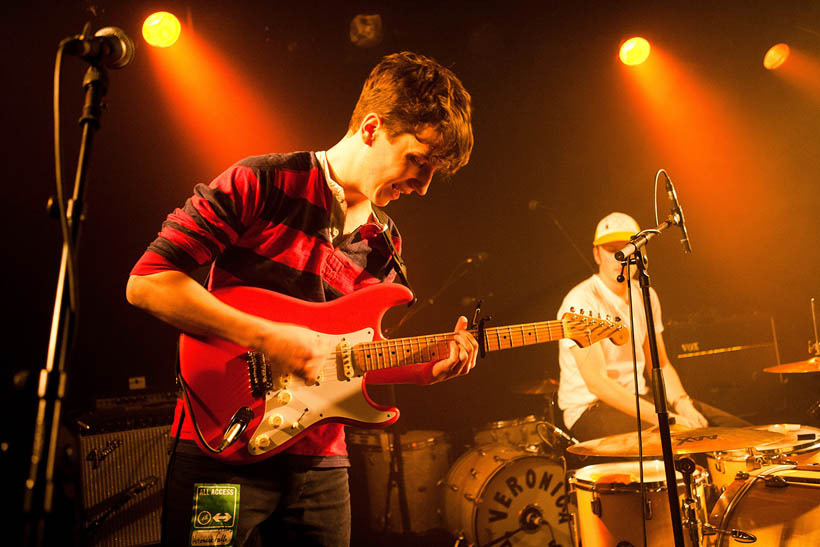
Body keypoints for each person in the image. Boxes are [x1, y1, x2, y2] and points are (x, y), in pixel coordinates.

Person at [126, 51, 478, 547]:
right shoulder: (262, 182)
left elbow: (352, 358)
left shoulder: (385, 244)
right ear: (373, 128)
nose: (422, 186)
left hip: (320, 460)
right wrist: (265, 336)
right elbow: (148, 282)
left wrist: (426, 368)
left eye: (432, 172)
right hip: (222, 441)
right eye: (417, 161)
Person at [556, 212, 750, 447]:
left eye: (629, 249)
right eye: (612, 250)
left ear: (641, 253)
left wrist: (682, 403)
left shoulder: (645, 294)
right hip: (590, 409)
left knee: (741, 434)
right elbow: (598, 383)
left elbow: (661, 364)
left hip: (640, 400)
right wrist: (668, 420)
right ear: (597, 254)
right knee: (682, 444)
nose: (622, 257)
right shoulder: (581, 301)